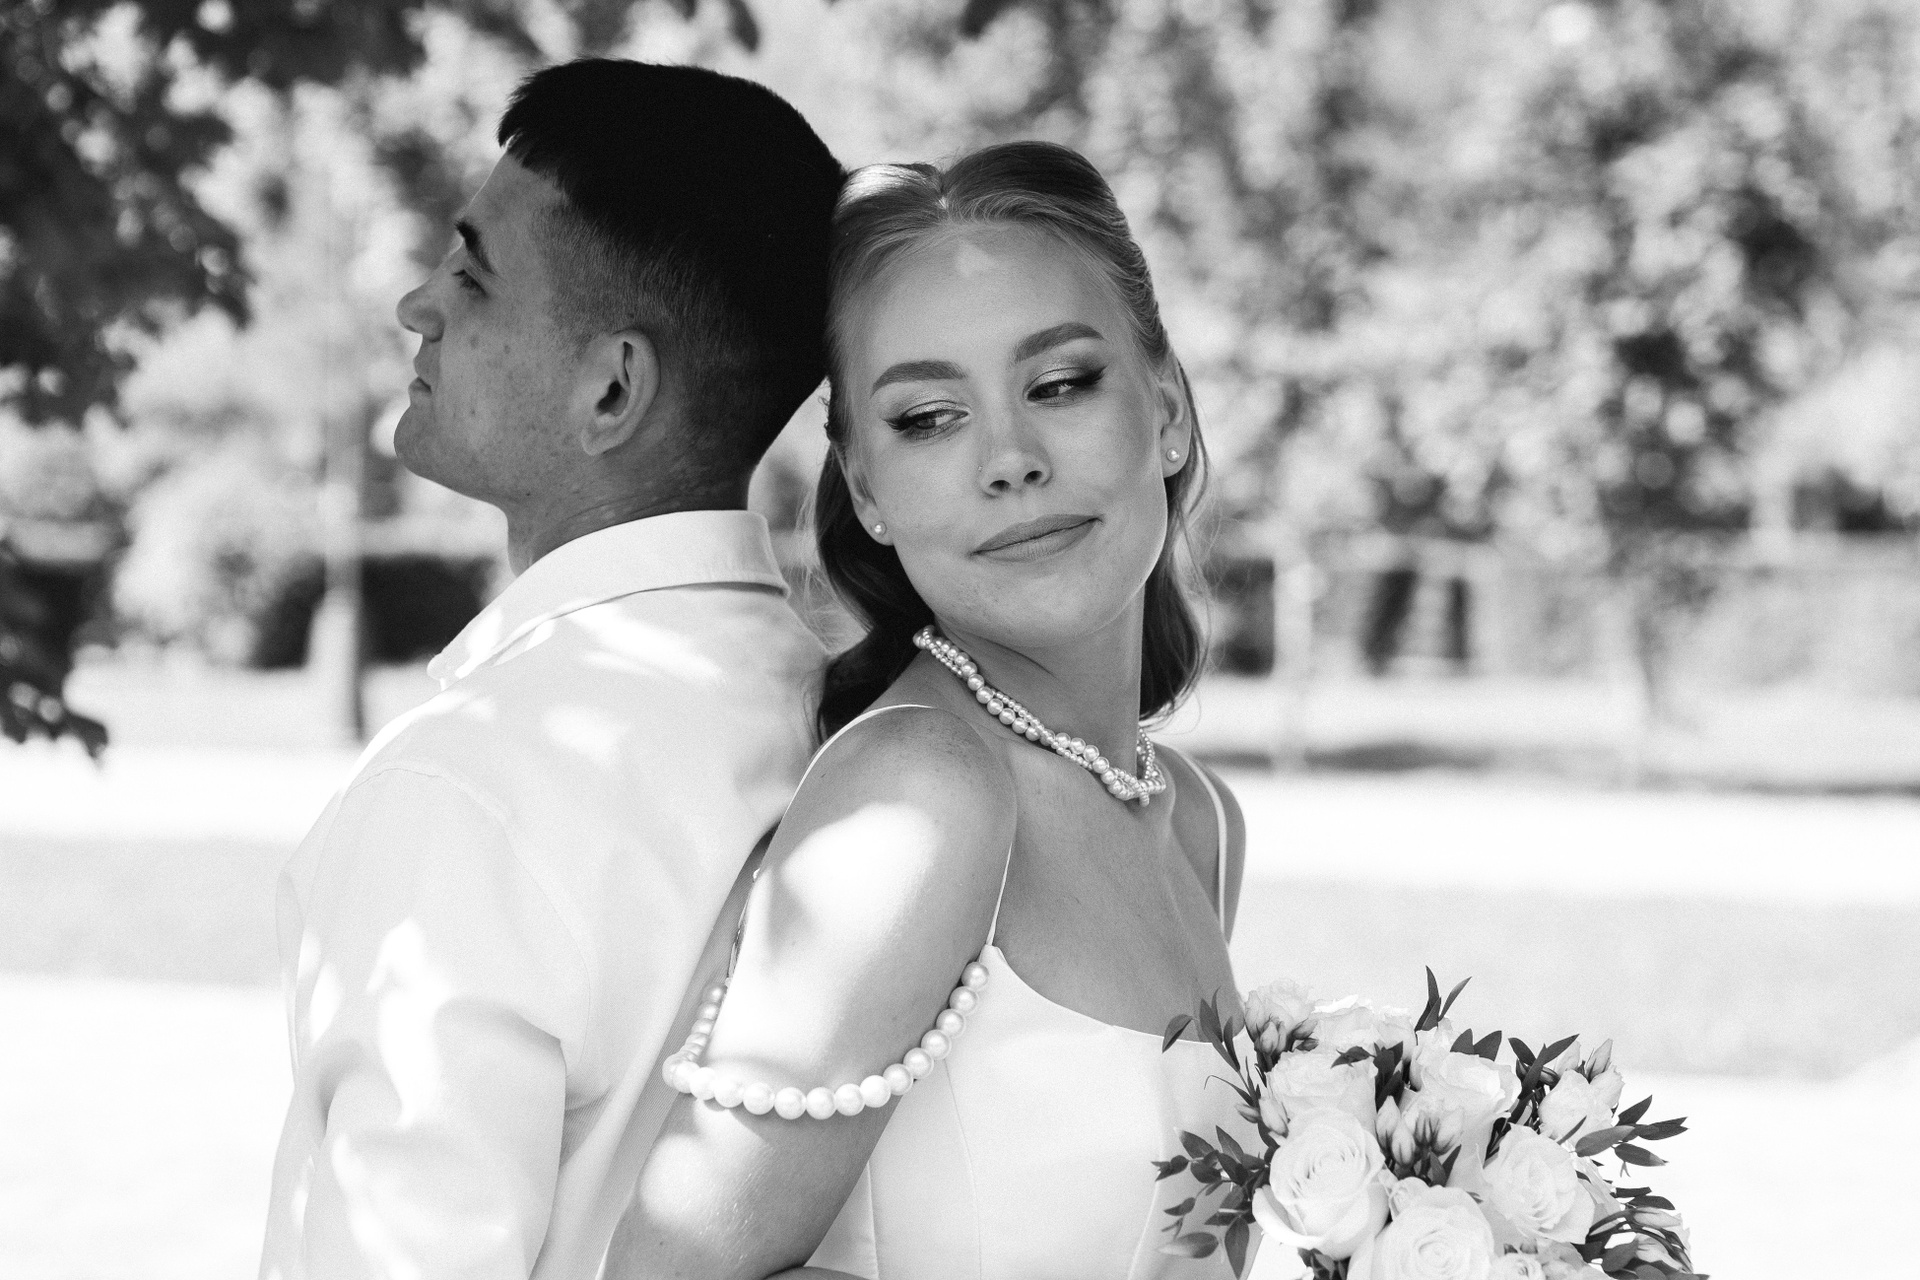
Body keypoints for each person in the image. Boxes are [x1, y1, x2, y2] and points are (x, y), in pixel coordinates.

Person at [607, 141, 1253, 1279]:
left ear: (1166, 411)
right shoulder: (919, 797)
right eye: (928, 417)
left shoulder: (1196, 821)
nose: (1010, 458)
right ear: (865, 487)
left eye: (1059, 385)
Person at [259, 60, 842, 1280]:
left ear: (613, 386)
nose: (418, 304)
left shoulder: (468, 787)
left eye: (472, 275)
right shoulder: (842, 716)